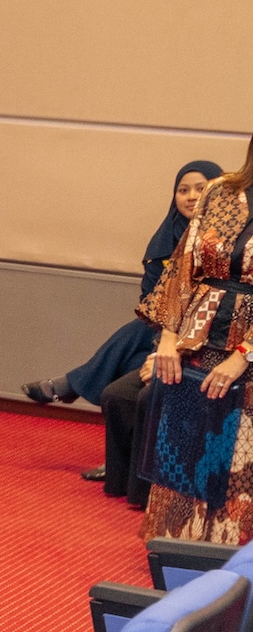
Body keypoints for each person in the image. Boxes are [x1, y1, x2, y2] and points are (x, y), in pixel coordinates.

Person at [23, 160, 220, 499]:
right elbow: (152, 303)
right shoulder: (165, 240)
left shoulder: (226, 245)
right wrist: (160, 345)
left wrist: (164, 347)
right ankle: (126, 466)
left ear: (217, 192)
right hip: (165, 335)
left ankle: (73, 385)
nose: (190, 196)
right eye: (183, 189)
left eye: (201, 188)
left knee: (138, 341)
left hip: (203, 342)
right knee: (131, 363)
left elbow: (213, 309)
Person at [143, 140, 253, 544]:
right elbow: (184, 265)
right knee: (187, 438)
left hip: (249, 350)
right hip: (197, 334)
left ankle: (229, 556)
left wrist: (244, 356)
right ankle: (177, 546)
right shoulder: (220, 191)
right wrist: (169, 337)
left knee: (239, 454)